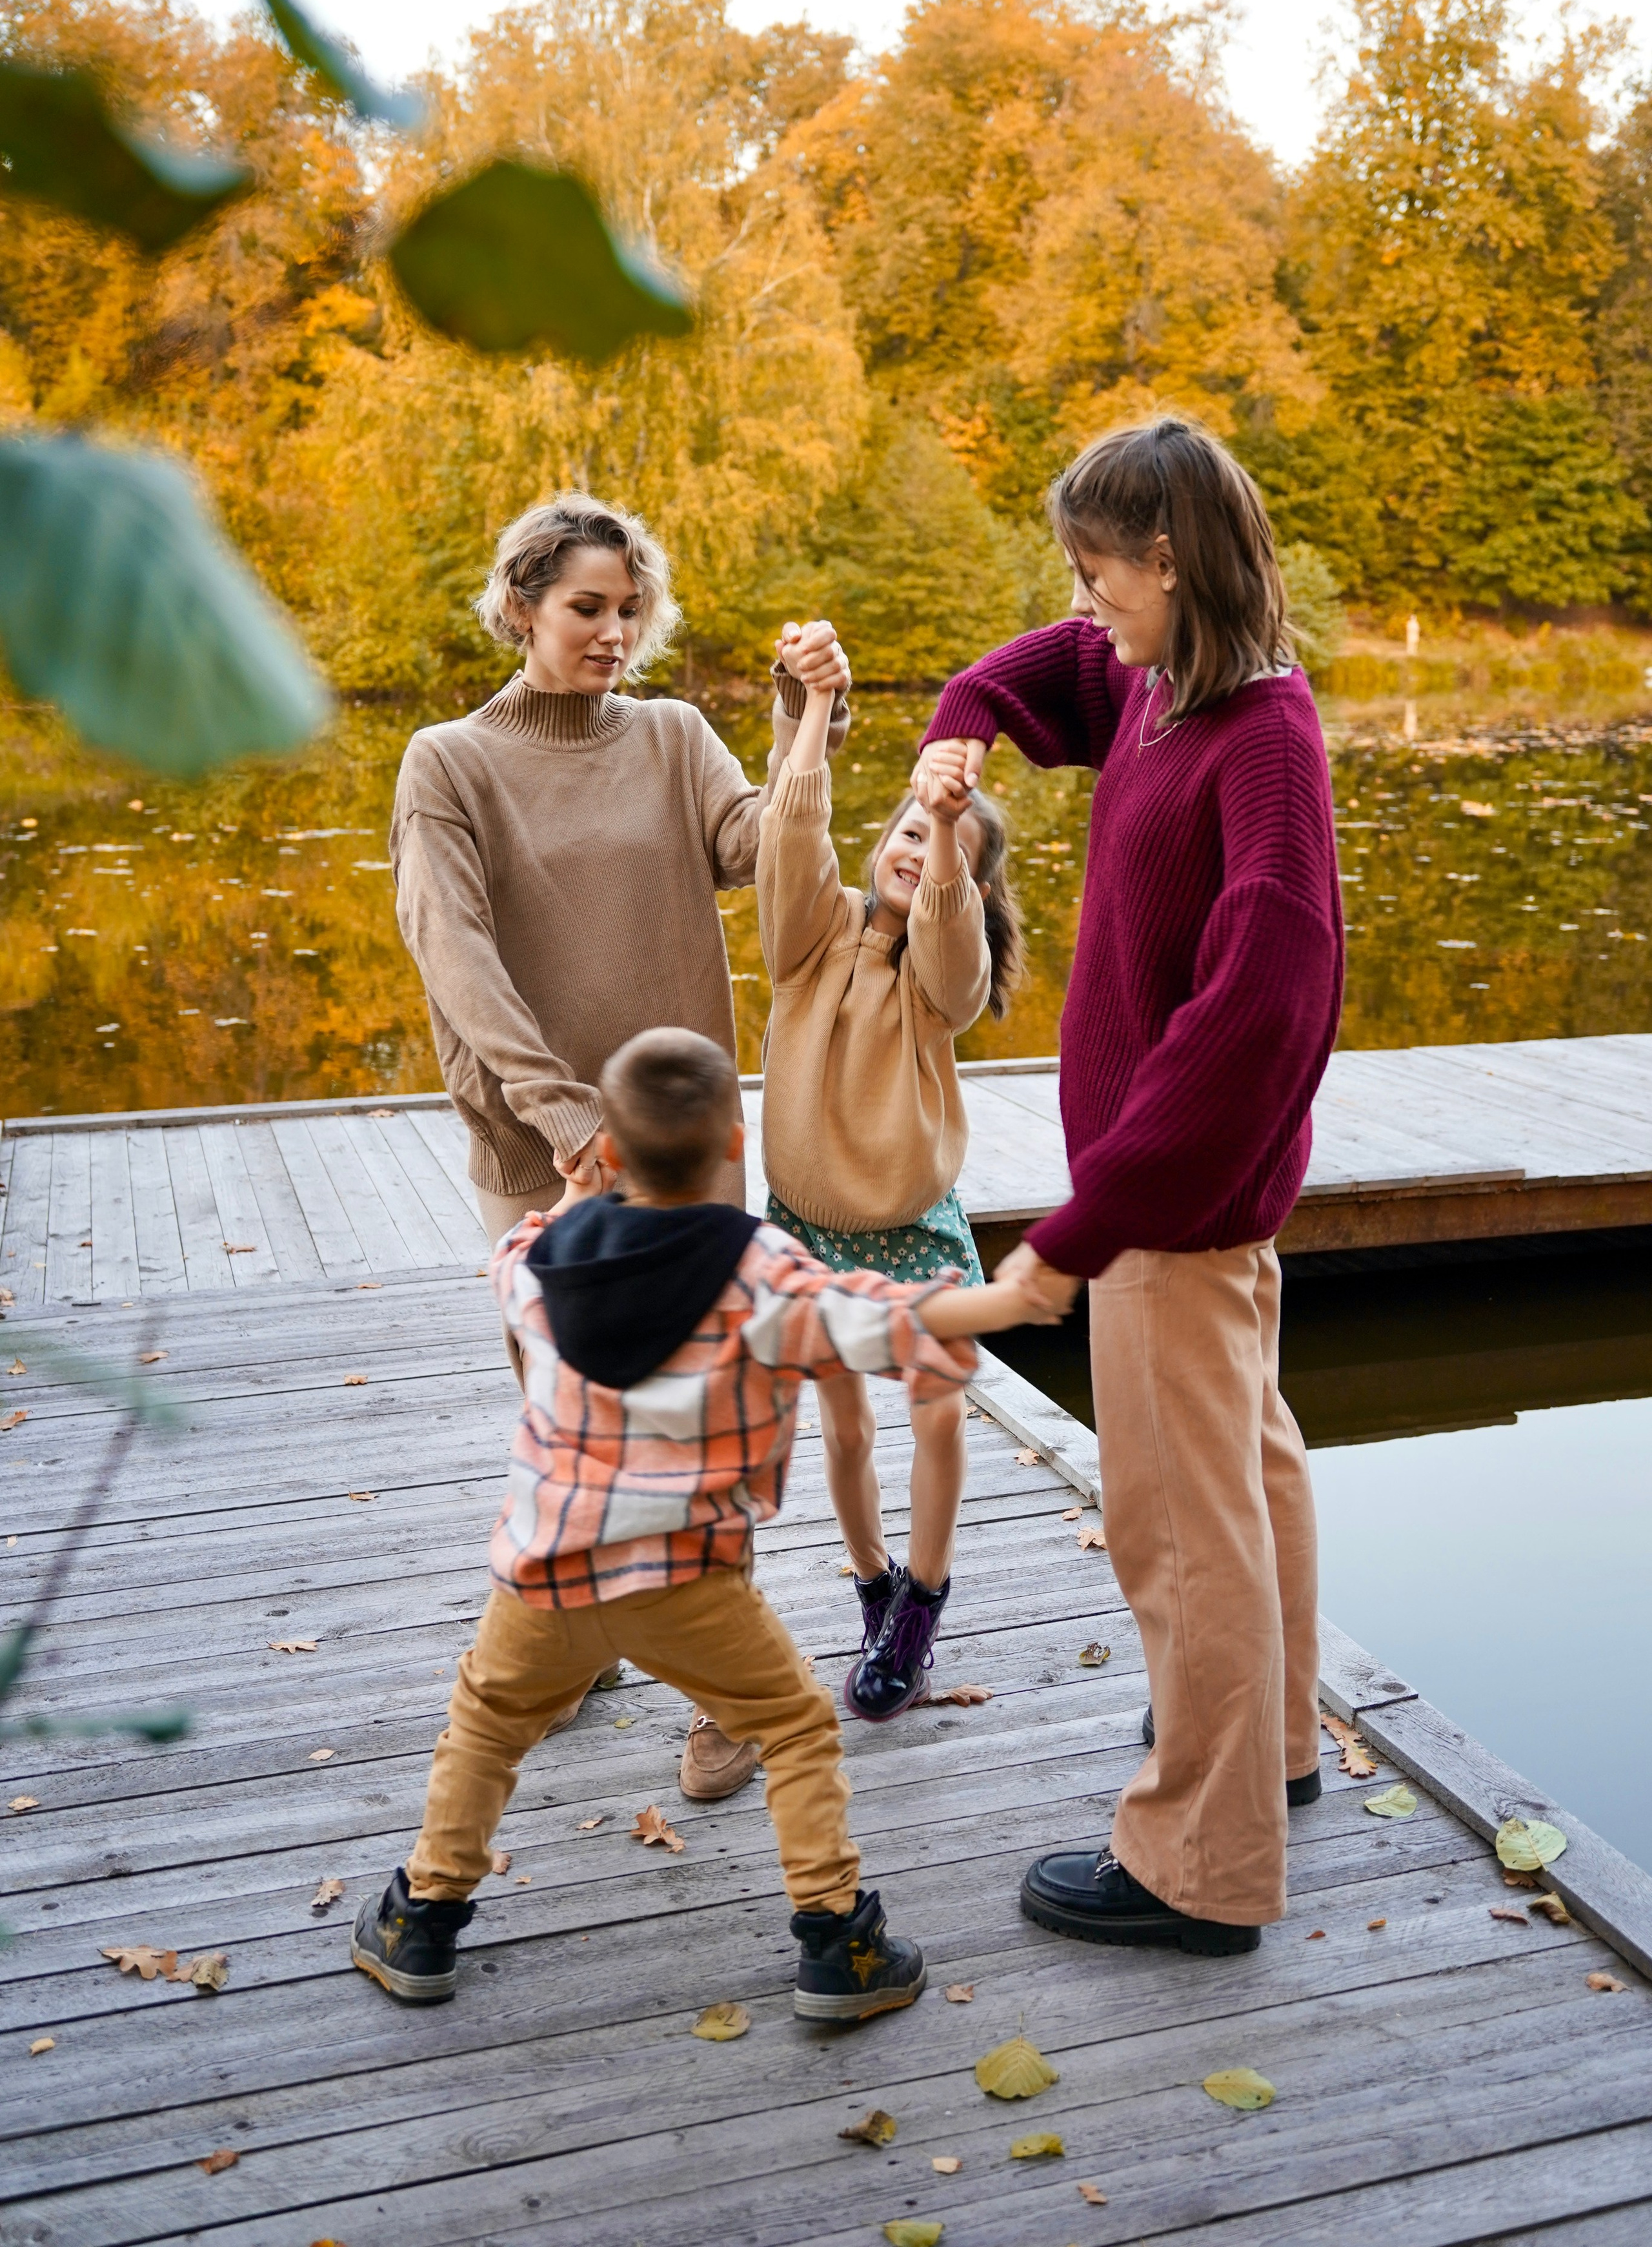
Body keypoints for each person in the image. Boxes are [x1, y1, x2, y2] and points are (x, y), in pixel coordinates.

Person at [350, 1028, 1054, 2013]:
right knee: (797, 1727)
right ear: (735, 1140)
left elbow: (509, 1259)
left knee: (489, 1722)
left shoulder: (549, 1259)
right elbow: (878, 1318)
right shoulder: (759, 1271)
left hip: (545, 1576)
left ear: (610, 1148)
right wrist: (1008, 1301)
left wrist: (572, 1193)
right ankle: (836, 1944)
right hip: (688, 1579)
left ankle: (421, 1922)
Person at [918, 414, 1343, 1957]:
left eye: (1098, 573)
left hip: (1169, 1215)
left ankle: (1197, 1866)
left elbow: (1253, 1022)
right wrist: (959, 721)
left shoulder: (1261, 752)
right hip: (1196, 1214)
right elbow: (1049, 672)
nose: (1083, 604)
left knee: (1177, 1534)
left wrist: (1070, 1243)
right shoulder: (1168, 686)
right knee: (1253, 1482)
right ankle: (1270, 1759)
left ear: (1169, 558)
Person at [388, 491, 845, 1796]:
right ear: (522, 604)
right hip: (537, 1144)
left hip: (688, 1143)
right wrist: (564, 1114)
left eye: (628, 609)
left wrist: (802, 719)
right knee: (565, 1408)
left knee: (706, 1410)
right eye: (586, 607)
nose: (612, 631)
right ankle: (576, 1632)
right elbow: (455, 955)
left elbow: (766, 852)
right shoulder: (448, 762)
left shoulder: (672, 735)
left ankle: (727, 1692)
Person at [756, 624, 1023, 1723]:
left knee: (939, 1415)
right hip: (804, 1228)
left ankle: (922, 1600)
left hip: (911, 1225)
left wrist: (958, 823)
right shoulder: (809, 936)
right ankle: (873, 1588)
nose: (918, 846)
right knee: (844, 1423)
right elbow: (791, 836)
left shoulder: (936, 982)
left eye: (940, 841)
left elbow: (958, 941)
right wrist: (815, 707)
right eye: (909, 830)